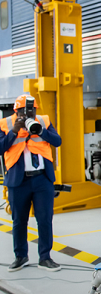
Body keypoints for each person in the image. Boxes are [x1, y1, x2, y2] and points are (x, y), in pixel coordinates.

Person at [0, 95, 62, 272]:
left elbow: (57, 141)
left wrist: (41, 131)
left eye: (31, 110)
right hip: (18, 181)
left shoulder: (43, 121)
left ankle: (45, 257)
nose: (27, 114)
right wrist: (14, 132)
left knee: (44, 219)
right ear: (16, 111)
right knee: (19, 220)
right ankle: (20, 256)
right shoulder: (5, 124)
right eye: (23, 111)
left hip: (42, 179)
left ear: (36, 110)